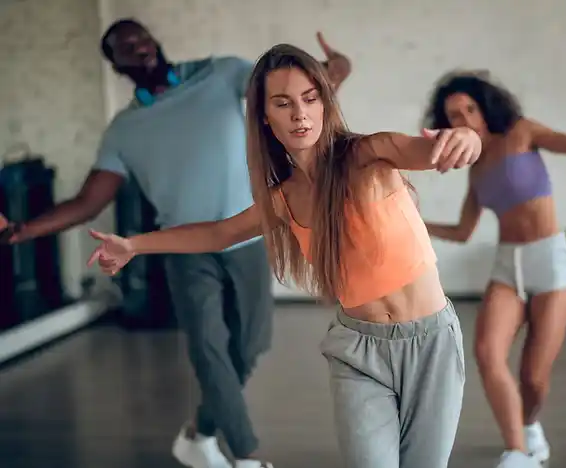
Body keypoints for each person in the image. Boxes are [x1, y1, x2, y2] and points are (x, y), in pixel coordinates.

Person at [86, 43, 482, 468]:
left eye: (310, 98)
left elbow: (432, 151)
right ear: (264, 115)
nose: (300, 114)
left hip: (431, 342)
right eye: (283, 103)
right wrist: (133, 245)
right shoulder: (283, 199)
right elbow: (219, 233)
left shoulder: (371, 153)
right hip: (358, 351)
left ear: (325, 102)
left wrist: (467, 138)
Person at [0, 20, 352, 468]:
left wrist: (338, 67)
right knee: (209, 348)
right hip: (184, 249)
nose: (138, 47)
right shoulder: (125, 129)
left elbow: (294, 92)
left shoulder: (222, 74)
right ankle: (246, 454)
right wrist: (22, 230)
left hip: (246, 235)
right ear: (115, 65)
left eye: (140, 37)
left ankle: (198, 434)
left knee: (251, 345)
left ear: (154, 40)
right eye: (124, 47)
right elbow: (89, 202)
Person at [421, 70, 566, 468]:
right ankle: (518, 451)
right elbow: (463, 231)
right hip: (508, 266)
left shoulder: (522, 132)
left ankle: (529, 425)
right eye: (454, 115)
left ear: (485, 108)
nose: (465, 119)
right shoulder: (475, 169)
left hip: (552, 264)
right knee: (487, 353)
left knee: (533, 378)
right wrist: (413, 220)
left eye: (470, 108)